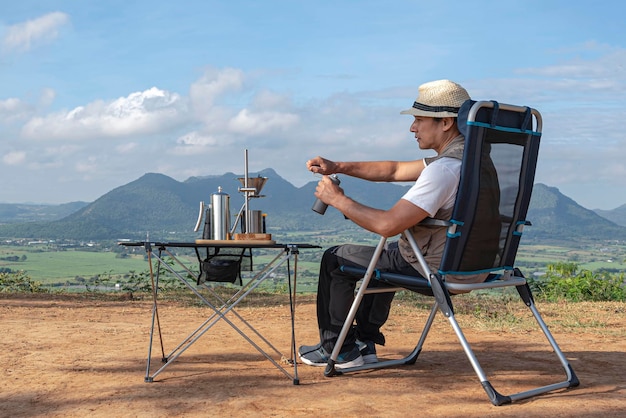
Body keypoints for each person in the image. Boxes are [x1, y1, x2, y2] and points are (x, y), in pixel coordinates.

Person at [299, 79, 473, 369]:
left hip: (433, 269)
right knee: (388, 257)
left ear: (445, 122)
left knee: (335, 258)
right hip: (477, 269)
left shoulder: (444, 171)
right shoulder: (475, 162)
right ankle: (365, 342)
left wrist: (337, 199)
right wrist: (338, 166)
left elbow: (387, 224)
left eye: (419, 119)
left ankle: (340, 350)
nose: (412, 127)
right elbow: (393, 170)